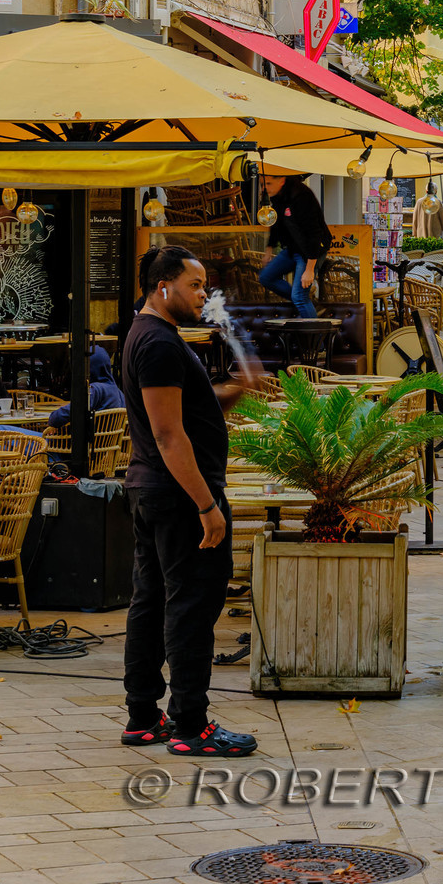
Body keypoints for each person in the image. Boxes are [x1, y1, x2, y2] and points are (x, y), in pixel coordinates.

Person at [119, 245, 256, 758]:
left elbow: (185, 408)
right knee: (191, 605)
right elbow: (168, 433)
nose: (203, 294)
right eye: (195, 285)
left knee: (152, 601)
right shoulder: (156, 343)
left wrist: (234, 391)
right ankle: (190, 725)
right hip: (177, 497)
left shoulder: (153, 336)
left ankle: (142, 717)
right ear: (163, 287)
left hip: (156, 491)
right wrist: (206, 505)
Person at [258, 170, 331, 318]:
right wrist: (268, 250)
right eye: (262, 184)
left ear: (282, 180)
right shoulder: (277, 196)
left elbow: (314, 234)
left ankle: (316, 339)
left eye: (268, 183)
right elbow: (276, 224)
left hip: (310, 251)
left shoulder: (301, 196)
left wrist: (309, 270)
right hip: (293, 249)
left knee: (299, 297)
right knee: (266, 277)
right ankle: (310, 306)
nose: (264, 188)